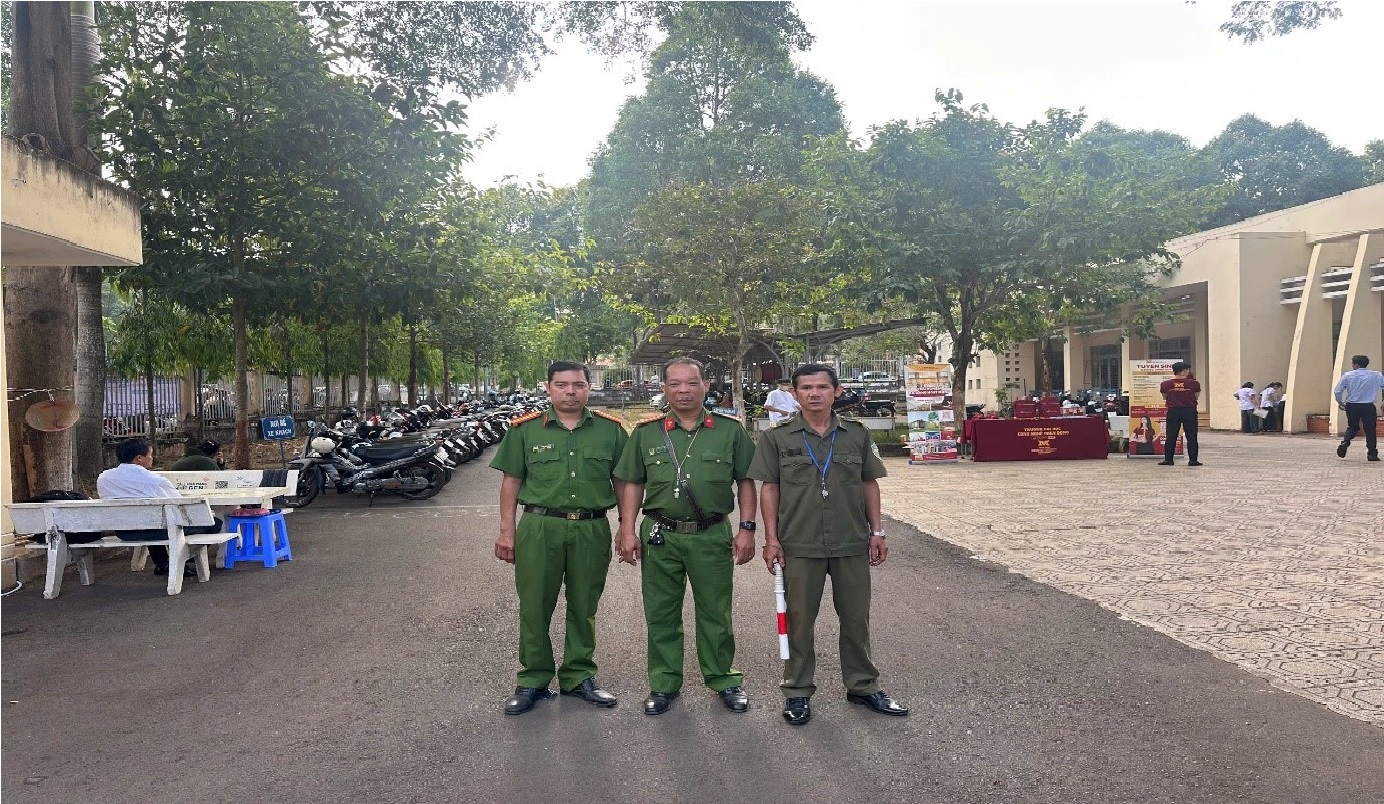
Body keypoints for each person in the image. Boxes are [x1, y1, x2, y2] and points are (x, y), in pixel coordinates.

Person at [748, 364, 908, 726]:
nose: (814, 394)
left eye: (822, 387)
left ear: (836, 392)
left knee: (856, 618)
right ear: (794, 393)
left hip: (850, 540)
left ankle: (863, 685)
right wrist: (771, 539)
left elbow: (869, 483)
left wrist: (878, 532)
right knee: (799, 619)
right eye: (806, 387)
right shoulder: (777, 438)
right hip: (799, 542)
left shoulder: (856, 434)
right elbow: (769, 488)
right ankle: (797, 690)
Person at [614, 358, 757, 716]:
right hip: (661, 534)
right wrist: (627, 529)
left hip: (711, 533)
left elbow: (746, 481)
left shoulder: (729, 431)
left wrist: (747, 528)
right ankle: (664, 683)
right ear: (663, 388)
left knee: (715, 611)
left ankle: (723, 679)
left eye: (692, 383)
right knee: (661, 611)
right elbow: (632, 483)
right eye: (675, 384)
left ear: (705, 385)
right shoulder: (646, 433)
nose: (683, 391)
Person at [489, 361, 629, 715]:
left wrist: (626, 527)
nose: (570, 392)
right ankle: (533, 679)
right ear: (548, 388)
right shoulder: (525, 430)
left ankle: (579, 676)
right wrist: (506, 531)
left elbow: (623, 482)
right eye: (562, 385)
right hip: (540, 527)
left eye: (578, 385)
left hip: (591, 527)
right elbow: (511, 482)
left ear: (588, 388)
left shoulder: (610, 431)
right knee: (534, 605)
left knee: (584, 605)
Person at [97, 438, 224, 577]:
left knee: (151, 521)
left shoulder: (104, 478)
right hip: (156, 531)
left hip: (124, 532)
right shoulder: (156, 481)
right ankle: (186, 557)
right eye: (150, 455)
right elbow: (181, 506)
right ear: (139, 458)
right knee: (214, 523)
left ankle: (162, 563)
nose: (152, 458)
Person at [1333, 354, 1384, 462]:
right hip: (1368, 406)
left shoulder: (1347, 376)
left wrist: (1340, 402)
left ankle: (1345, 442)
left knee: (1352, 427)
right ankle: (1372, 454)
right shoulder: (1376, 375)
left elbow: (1337, 391)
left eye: (1352, 363)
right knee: (1370, 430)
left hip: (1352, 406)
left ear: (1356, 364)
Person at [1159, 362, 1202, 467]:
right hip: (1189, 411)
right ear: (1184, 370)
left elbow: (1165, 397)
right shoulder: (1194, 383)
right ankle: (1193, 460)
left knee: (1171, 436)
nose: (1188, 372)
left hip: (1173, 411)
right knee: (1191, 436)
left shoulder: (1165, 384)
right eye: (1187, 370)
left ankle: (1168, 459)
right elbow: (1196, 396)